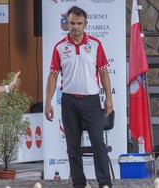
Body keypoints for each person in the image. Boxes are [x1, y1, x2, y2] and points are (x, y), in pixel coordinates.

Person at [45, 6, 113, 188]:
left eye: (79, 23)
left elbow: (104, 73)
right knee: (73, 147)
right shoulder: (60, 47)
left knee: (98, 144)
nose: (75, 27)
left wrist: (108, 98)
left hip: (91, 101)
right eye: (72, 23)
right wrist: (48, 102)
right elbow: (53, 75)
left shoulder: (96, 44)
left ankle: (105, 184)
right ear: (67, 23)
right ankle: (79, 184)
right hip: (69, 102)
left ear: (85, 24)